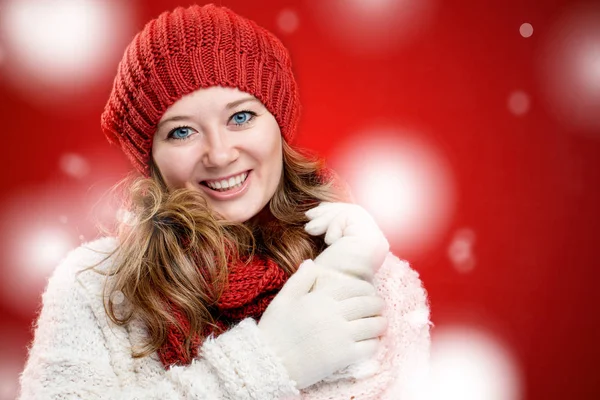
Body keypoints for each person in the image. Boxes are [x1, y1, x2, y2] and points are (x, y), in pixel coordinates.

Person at [18, 4, 431, 399]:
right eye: (181, 132)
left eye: (241, 117)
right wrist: (270, 358)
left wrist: (349, 269)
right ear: (151, 158)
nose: (219, 154)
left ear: (279, 126)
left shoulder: (377, 276)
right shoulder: (95, 287)